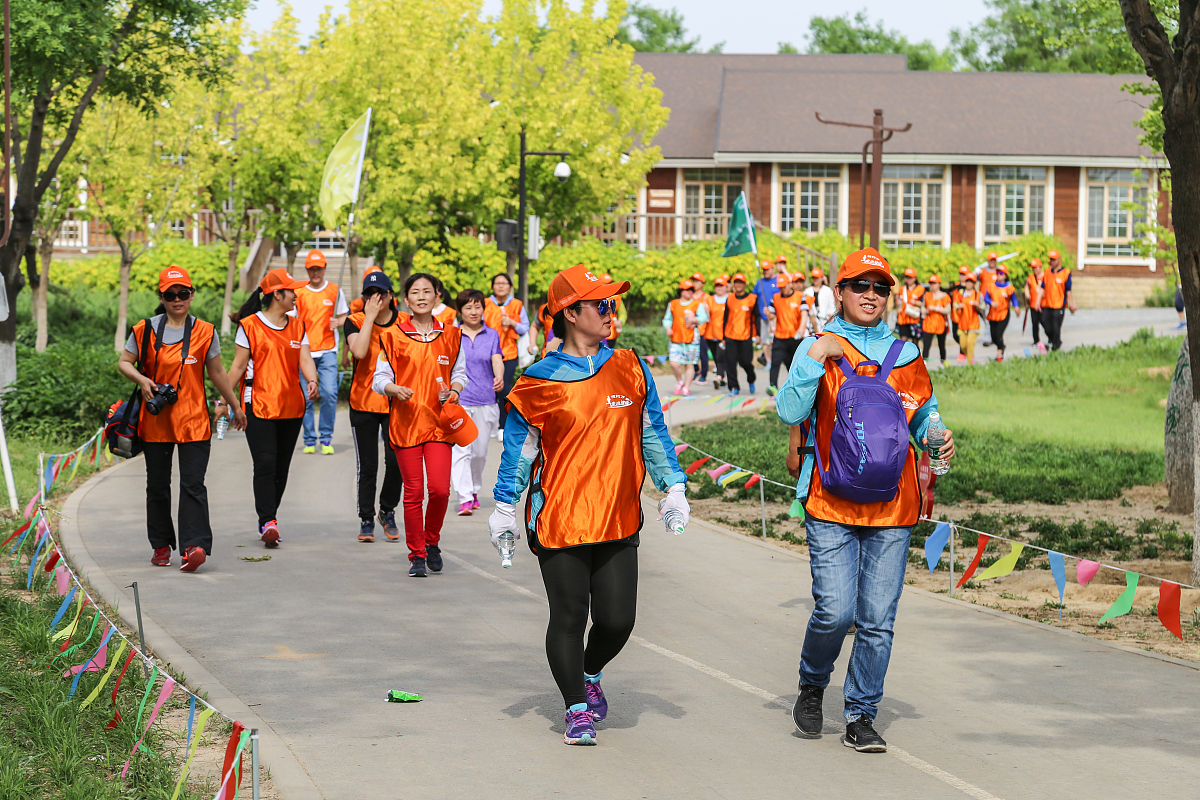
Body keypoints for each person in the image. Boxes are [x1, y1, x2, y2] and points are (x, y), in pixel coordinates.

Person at [489, 263, 689, 747]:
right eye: (600, 304)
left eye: (611, 303)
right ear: (570, 313)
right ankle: (576, 709)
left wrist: (674, 487)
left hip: (617, 515)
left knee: (619, 620)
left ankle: (590, 672)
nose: (609, 311)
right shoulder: (537, 382)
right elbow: (520, 450)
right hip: (559, 518)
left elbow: (653, 431)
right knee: (569, 617)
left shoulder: (631, 366)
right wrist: (502, 506)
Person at [777, 247, 955, 753]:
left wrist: (938, 435)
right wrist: (817, 357)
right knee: (835, 610)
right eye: (860, 286)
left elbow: (923, 415)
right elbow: (789, 408)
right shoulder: (818, 345)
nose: (870, 295)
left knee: (877, 618)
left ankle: (861, 713)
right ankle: (813, 682)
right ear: (840, 292)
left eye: (880, 288)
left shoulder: (907, 356)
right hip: (830, 501)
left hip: (893, 506)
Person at [118, 266, 246, 572]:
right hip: (157, 422)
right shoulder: (144, 330)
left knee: (193, 485)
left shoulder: (205, 331)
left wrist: (235, 406)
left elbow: (216, 373)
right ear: (161, 297)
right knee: (158, 486)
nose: (178, 299)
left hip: (194, 422)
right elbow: (124, 363)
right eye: (170, 294)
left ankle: (194, 547)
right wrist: (143, 381)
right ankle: (161, 544)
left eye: (183, 293)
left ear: (191, 295)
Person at [373, 272, 468, 577]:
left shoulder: (452, 335)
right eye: (415, 292)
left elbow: (460, 374)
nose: (422, 296)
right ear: (406, 300)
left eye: (428, 291)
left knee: (440, 490)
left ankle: (432, 542)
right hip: (406, 424)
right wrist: (393, 389)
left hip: (440, 424)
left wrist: (455, 389)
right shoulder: (392, 336)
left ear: (437, 296)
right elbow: (379, 379)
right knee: (413, 493)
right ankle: (416, 554)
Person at [228, 269, 320, 548]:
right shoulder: (249, 326)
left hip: (292, 406)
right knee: (265, 462)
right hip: (258, 405)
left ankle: (269, 519)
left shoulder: (298, 326)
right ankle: (268, 520)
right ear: (277, 294)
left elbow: (304, 358)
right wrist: (225, 401)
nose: (296, 295)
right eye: (291, 290)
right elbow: (238, 367)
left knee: (281, 466)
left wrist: (312, 380)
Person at [344, 270, 404, 543]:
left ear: (391, 296)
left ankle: (387, 510)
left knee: (396, 462)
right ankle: (366, 518)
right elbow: (358, 351)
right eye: (369, 294)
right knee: (367, 465)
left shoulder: (405, 323)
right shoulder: (354, 321)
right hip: (363, 403)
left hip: (396, 402)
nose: (375, 299)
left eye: (381, 294)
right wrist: (369, 316)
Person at [292, 249, 349, 455]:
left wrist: (339, 321)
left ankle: (326, 438)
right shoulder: (299, 292)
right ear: (307, 270)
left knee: (330, 394)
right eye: (312, 269)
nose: (316, 272)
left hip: (327, 351)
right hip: (305, 352)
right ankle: (309, 440)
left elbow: (345, 317)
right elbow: (291, 320)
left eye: (319, 268)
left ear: (325, 269)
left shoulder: (335, 290)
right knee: (307, 397)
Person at [452, 288, 503, 516]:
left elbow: (496, 358)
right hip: (461, 400)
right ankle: (464, 497)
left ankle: (473, 489)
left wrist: (499, 375)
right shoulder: (452, 335)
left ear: (484, 308)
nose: (474, 311)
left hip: (486, 400)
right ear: (460, 310)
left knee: (480, 452)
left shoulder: (491, 335)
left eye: (477, 306)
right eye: (468, 307)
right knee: (462, 451)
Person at [484, 273, 528, 440]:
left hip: (509, 353)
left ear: (510, 287)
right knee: (489, 389)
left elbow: (524, 328)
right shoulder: (486, 304)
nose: (501, 286)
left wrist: (513, 323)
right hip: (487, 354)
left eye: (504, 283)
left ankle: (503, 425)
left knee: (503, 388)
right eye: (497, 283)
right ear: (493, 286)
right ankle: (491, 422)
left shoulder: (517, 305)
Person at [663, 279, 709, 396]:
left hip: (691, 338)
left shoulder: (696, 304)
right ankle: (680, 381)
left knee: (690, 364)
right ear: (681, 291)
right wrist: (668, 327)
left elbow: (704, 317)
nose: (690, 291)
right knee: (674, 363)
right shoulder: (673, 304)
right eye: (687, 289)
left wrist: (695, 320)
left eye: (691, 290)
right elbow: (667, 318)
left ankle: (686, 387)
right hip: (676, 338)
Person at [767, 272, 804, 394]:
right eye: (780, 286)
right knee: (775, 362)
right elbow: (772, 316)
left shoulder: (799, 296)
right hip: (779, 335)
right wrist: (768, 314)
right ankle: (773, 386)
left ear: (790, 284)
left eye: (784, 286)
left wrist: (801, 329)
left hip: (794, 336)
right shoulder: (776, 298)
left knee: (792, 364)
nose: (782, 289)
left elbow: (804, 314)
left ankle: (795, 386)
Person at [723, 273, 759, 394]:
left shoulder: (752, 298)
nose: (738, 285)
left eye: (740, 282)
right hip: (730, 335)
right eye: (736, 282)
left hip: (745, 336)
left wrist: (757, 334)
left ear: (744, 284)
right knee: (731, 363)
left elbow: (757, 317)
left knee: (745, 362)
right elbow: (725, 317)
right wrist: (723, 336)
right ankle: (734, 387)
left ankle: (751, 379)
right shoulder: (729, 298)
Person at [1040, 249, 1076, 351]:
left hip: (1059, 304)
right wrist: (1038, 301)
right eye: (1050, 260)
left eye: (1054, 260)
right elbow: (1042, 287)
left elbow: (1068, 291)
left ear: (1059, 260)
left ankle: (1056, 348)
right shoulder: (1047, 272)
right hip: (1047, 304)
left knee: (1056, 327)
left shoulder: (1066, 273)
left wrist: (1071, 304)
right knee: (1046, 326)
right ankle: (1054, 341)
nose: (1051, 262)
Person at [985, 266, 1018, 361]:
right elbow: (986, 298)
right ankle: (1002, 346)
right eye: (997, 273)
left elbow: (1014, 299)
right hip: (993, 314)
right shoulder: (991, 286)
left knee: (999, 334)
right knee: (993, 336)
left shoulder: (1009, 288)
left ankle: (1000, 355)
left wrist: (1016, 307)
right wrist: (991, 302)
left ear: (1005, 276)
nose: (998, 275)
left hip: (1004, 314)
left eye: (1001, 274)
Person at [703, 275, 729, 389]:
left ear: (727, 287)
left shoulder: (730, 299)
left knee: (720, 356)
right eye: (717, 286)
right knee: (716, 356)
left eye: (721, 286)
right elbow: (705, 315)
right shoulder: (709, 299)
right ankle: (722, 378)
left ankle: (718, 376)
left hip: (724, 334)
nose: (719, 288)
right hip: (711, 333)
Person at [753, 259, 779, 368]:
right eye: (764, 270)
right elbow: (754, 296)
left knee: (773, 340)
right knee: (765, 340)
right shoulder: (760, 282)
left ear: (772, 269)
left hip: (775, 317)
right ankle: (768, 361)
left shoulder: (778, 280)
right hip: (762, 316)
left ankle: (775, 360)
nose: (765, 272)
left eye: (767, 269)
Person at [954, 273, 984, 365]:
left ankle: (970, 364)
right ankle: (972, 359)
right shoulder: (960, 293)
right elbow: (955, 305)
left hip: (973, 324)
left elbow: (984, 307)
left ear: (974, 283)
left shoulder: (978, 294)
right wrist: (958, 306)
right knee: (963, 345)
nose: (969, 283)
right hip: (963, 324)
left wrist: (978, 305)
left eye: (971, 281)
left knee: (970, 343)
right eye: (967, 281)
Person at [920, 275, 951, 364]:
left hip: (940, 323)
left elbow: (948, 310)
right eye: (931, 283)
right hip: (929, 323)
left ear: (939, 284)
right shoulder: (927, 295)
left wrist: (937, 309)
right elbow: (923, 307)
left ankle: (943, 362)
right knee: (926, 344)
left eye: (934, 283)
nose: (932, 285)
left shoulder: (945, 296)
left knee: (941, 344)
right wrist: (924, 310)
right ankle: (925, 362)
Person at [691, 273, 711, 384]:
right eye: (693, 281)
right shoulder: (689, 296)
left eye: (697, 281)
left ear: (702, 284)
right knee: (692, 352)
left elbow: (711, 314)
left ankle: (704, 374)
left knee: (703, 353)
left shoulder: (707, 297)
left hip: (703, 330)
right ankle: (695, 370)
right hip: (691, 330)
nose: (695, 283)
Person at [976, 252, 1000, 346]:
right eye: (991, 260)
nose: (992, 262)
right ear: (988, 261)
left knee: (995, 320)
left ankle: (995, 337)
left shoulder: (999, 272)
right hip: (984, 299)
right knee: (987, 319)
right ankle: (987, 339)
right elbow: (975, 282)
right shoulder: (982, 272)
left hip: (995, 300)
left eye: (994, 260)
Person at [803, 268, 836, 335]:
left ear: (822, 278)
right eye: (814, 277)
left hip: (824, 321)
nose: (815, 279)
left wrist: (831, 321)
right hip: (810, 323)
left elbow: (831, 307)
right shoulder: (807, 291)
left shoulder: (827, 290)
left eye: (817, 278)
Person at [895, 268, 924, 343]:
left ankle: (915, 354)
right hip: (903, 318)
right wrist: (898, 304)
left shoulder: (920, 289)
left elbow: (924, 303)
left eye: (911, 277)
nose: (909, 279)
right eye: (907, 277)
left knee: (915, 342)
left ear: (915, 278)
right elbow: (898, 301)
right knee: (903, 341)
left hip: (915, 319)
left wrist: (916, 303)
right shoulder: (902, 289)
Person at [1024, 259, 1046, 352]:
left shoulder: (1045, 276)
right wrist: (1027, 294)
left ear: (1040, 267)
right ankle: (1036, 341)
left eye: (1035, 268)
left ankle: (1050, 339)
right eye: (1032, 268)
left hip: (1044, 304)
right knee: (1034, 323)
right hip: (1033, 304)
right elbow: (1026, 287)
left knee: (1045, 323)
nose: (1034, 270)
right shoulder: (1031, 277)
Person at [948, 265, 970, 347]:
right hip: (955, 316)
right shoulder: (955, 286)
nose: (962, 276)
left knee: (963, 335)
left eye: (964, 274)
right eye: (961, 274)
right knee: (955, 336)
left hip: (965, 316)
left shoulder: (970, 286)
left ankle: (964, 352)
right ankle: (965, 348)